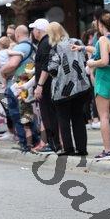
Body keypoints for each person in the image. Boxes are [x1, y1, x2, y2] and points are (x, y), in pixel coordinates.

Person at [74, 12, 110, 159]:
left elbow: (103, 61)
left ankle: (108, 150)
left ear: (100, 24)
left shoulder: (103, 39)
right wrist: (83, 48)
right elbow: (100, 52)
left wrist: (91, 63)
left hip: (103, 80)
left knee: (104, 117)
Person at [48, 22, 90, 156]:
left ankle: (68, 148)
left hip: (63, 89)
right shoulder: (77, 42)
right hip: (81, 86)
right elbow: (85, 59)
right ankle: (82, 149)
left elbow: (52, 69)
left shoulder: (55, 48)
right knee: (78, 117)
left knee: (63, 118)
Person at [1, 25, 41, 153]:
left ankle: (25, 143)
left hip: (17, 86)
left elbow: (12, 64)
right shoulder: (33, 47)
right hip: (27, 84)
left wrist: (2, 71)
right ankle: (34, 141)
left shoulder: (20, 47)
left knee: (18, 115)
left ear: (17, 35)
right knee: (27, 115)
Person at [30, 18, 61, 154]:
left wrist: (40, 85)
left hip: (46, 86)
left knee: (48, 115)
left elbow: (46, 67)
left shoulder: (44, 44)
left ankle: (53, 144)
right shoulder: (46, 42)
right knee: (49, 114)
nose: (33, 32)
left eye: (34, 29)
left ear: (38, 30)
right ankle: (53, 143)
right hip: (49, 85)